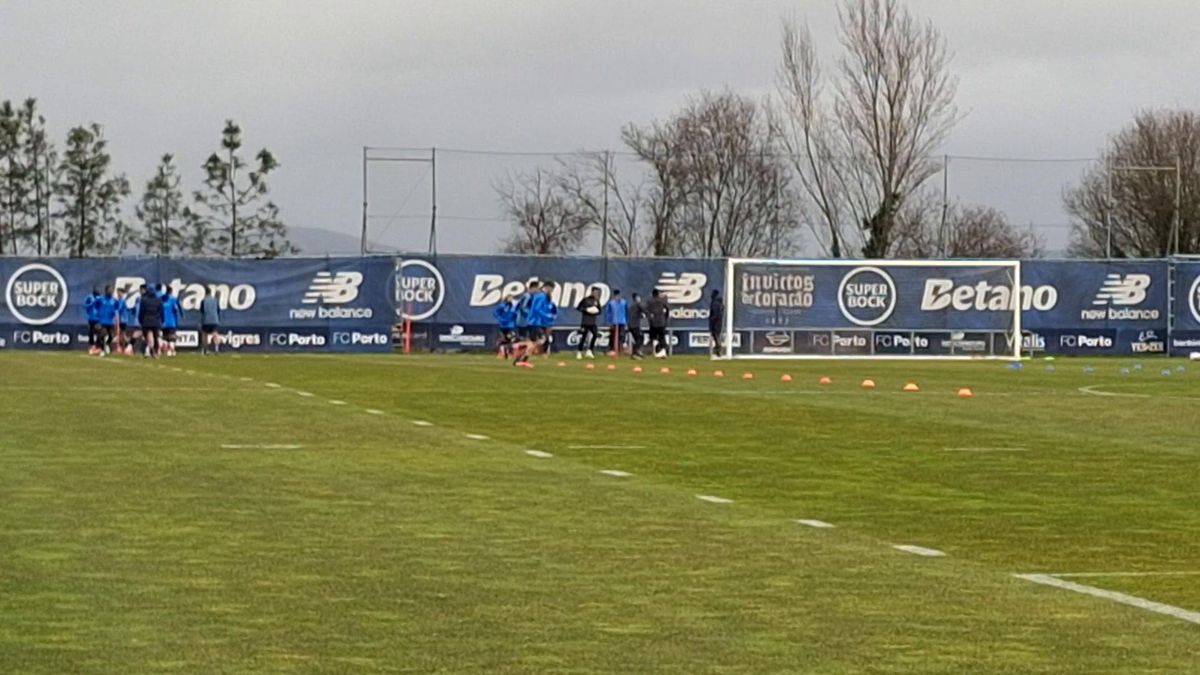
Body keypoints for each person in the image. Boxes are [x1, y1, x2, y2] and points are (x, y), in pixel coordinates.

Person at [514, 280, 557, 366]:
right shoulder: (542, 296)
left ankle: (520, 357)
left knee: (535, 341)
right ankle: (522, 357)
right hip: (535, 322)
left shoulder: (538, 296)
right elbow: (537, 309)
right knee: (538, 341)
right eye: (551, 289)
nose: (551, 291)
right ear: (547, 287)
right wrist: (547, 315)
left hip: (534, 321)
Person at [575, 286, 602, 359]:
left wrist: (595, 311)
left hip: (593, 322)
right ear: (592, 292)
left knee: (595, 335)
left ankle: (589, 350)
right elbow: (579, 308)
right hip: (585, 322)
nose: (597, 294)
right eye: (596, 292)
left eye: (598, 293)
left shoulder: (596, 301)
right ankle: (579, 351)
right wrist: (586, 310)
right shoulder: (585, 300)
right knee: (584, 337)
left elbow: (600, 311)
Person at [138, 285, 164, 358]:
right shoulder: (159, 300)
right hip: (156, 321)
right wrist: (162, 320)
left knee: (147, 337)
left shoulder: (144, 300)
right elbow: (161, 311)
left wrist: (140, 320)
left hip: (146, 321)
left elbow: (141, 312)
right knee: (155, 337)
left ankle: (148, 350)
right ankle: (155, 352)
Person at [95, 285, 120, 356]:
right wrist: (98, 315)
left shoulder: (114, 301)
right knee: (102, 335)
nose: (111, 291)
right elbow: (96, 306)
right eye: (109, 290)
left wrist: (115, 318)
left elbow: (116, 309)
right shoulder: (100, 299)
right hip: (102, 321)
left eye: (112, 290)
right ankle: (102, 350)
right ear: (106, 290)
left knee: (111, 336)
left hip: (110, 321)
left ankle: (107, 344)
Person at [645, 288, 670, 359]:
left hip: (653, 322)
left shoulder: (649, 301)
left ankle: (655, 351)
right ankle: (663, 352)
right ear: (658, 294)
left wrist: (649, 317)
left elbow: (646, 310)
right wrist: (665, 317)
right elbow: (667, 309)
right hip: (661, 322)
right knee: (662, 337)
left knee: (653, 337)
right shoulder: (662, 301)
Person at [117, 287, 141, 356]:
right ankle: (126, 348)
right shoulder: (122, 300)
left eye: (118, 292)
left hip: (124, 320)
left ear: (121, 293)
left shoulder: (123, 300)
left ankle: (127, 348)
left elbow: (120, 309)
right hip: (123, 319)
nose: (117, 294)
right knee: (123, 334)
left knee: (124, 334)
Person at [604, 289, 628, 356]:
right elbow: (609, 313)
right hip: (614, 322)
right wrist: (609, 322)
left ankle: (621, 349)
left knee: (622, 335)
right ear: (614, 296)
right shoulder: (611, 303)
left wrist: (626, 321)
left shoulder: (623, 302)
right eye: (616, 295)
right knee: (613, 336)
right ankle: (612, 349)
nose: (617, 297)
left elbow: (626, 312)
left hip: (622, 321)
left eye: (618, 295)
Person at [161, 285, 182, 356]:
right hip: (172, 322)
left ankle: (167, 350)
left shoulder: (162, 299)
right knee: (171, 337)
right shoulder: (173, 299)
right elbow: (177, 309)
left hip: (163, 322)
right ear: (171, 291)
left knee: (165, 336)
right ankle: (170, 350)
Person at [200, 287, 222, 354]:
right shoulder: (215, 300)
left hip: (206, 320)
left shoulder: (203, 301)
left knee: (204, 334)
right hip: (214, 320)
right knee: (215, 334)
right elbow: (218, 310)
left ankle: (205, 349)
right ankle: (216, 349)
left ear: (205, 293)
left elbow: (202, 310)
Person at [84, 286, 102, 354]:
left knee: (99, 332)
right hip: (91, 318)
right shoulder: (89, 297)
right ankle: (92, 345)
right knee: (91, 332)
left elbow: (102, 306)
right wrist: (92, 303)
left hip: (98, 318)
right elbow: (86, 306)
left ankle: (98, 346)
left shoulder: (100, 298)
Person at [627, 292, 646, 359]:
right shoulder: (637, 304)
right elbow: (644, 309)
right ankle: (635, 353)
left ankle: (636, 352)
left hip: (630, 325)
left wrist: (641, 315)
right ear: (636, 298)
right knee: (640, 338)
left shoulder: (631, 306)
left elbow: (635, 314)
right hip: (635, 325)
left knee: (638, 339)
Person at [708, 288, 724, 358]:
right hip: (718, 322)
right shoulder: (719, 303)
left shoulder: (715, 303)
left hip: (715, 323)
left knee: (716, 336)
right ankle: (717, 349)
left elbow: (715, 314)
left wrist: (712, 320)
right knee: (716, 336)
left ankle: (718, 349)